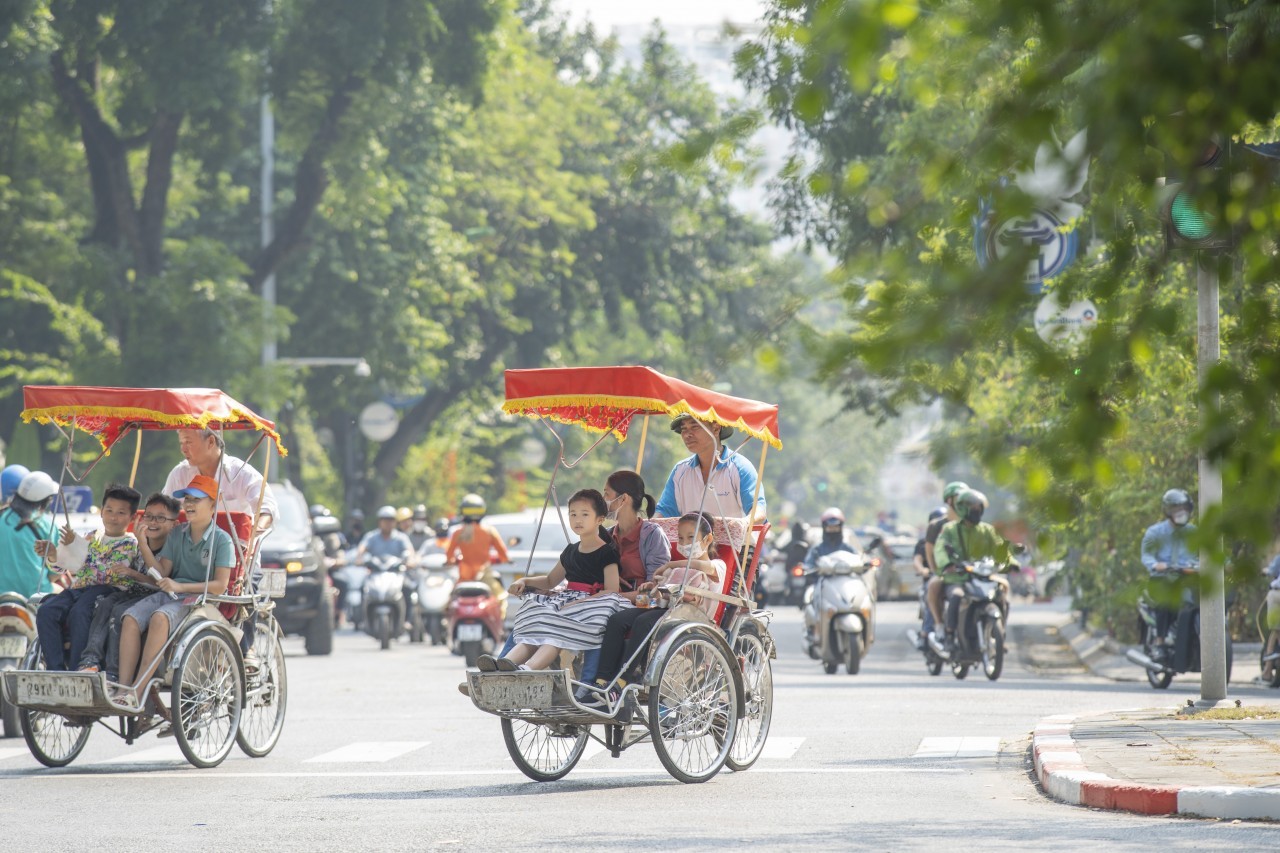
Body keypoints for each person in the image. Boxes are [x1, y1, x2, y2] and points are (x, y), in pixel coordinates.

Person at [118, 475, 235, 727]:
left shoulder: (222, 540)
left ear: (213, 505)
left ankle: (138, 691)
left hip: (199, 600)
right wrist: (143, 543)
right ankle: (124, 690)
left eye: (196, 499)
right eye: (187, 499)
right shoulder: (178, 534)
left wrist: (181, 586)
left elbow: (219, 585)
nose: (189, 504)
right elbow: (162, 572)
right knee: (129, 617)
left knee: (160, 618)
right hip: (170, 592)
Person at [584, 512, 724, 710]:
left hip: (690, 617)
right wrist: (650, 587)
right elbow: (658, 593)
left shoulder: (717, 566)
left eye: (691, 537)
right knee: (617, 620)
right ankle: (601, 681)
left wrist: (670, 564)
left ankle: (624, 681)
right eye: (681, 538)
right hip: (664, 610)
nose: (684, 543)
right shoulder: (674, 572)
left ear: (707, 539)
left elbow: (704, 567)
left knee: (644, 623)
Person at [164, 427, 276, 668]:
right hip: (190, 555)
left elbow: (266, 507)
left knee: (247, 585)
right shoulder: (180, 474)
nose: (183, 448)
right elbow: (166, 511)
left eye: (188, 442)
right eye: (181, 442)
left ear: (211, 441)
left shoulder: (240, 473)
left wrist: (253, 530)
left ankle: (246, 647)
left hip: (238, 557)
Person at [488, 489, 626, 672]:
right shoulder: (570, 551)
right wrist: (525, 581)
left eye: (585, 515)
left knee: (553, 636)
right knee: (534, 632)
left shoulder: (607, 552)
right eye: (573, 514)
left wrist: (582, 601)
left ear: (600, 519)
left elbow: (612, 589)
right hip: (566, 601)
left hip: (588, 607)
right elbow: (550, 580)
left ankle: (527, 669)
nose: (578, 520)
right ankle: (500, 666)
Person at [33, 483, 141, 671]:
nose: (113, 517)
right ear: (101, 512)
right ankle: (54, 669)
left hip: (108, 591)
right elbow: (64, 567)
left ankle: (77, 669)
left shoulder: (130, 543)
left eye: (121, 513)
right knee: (46, 610)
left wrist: (76, 546)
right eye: (109, 510)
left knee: (80, 612)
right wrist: (53, 553)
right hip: (79, 589)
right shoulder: (91, 536)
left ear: (131, 517)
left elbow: (107, 573)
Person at [80, 493, 181, 677]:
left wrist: (134, 572)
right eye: (149, 516)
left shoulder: (170, 549)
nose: (153, 522)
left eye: (160, 518)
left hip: (154, 596)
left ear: (173, 524)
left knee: (119, 613)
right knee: (103, 604)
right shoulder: (135, 543)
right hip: (132, 592)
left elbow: (159, 581)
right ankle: (90, 660)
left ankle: (113, 672)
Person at [934, 489, 1017, 648]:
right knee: (956, 596)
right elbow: (940, 549)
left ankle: (1000, 632)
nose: (977, 511)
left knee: (1001, 596)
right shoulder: (951, 529)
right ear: (963, 508)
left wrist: (1011, 562)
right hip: (958, 578)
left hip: (982, 576)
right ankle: (950, 634)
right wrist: (947, 564)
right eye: (973, 507)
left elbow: (1001, 548)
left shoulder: (987, 530)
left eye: (979, 507)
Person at [655, 414, 765, 522]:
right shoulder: (679, 471)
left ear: (716, 429)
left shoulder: (740, 468)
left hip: (737, 540)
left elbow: (758, 512)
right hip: (692, 541)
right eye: (683, 429)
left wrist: (743, 523)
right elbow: (663, 513)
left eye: (695, 427)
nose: (687, 435)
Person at [1140, 488, 1198, 656]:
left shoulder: (1194, 532)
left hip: (1187, 578)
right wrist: (1155, 565)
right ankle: (1160, 642)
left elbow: (1211, 552)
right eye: (1176, 508)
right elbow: (1146, 555)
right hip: (1162, 579)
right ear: (1167, 510)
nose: (1181, 512)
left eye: (1184, 508)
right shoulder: (1155, 532)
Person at [0, 471, 61, 597]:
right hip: (36, 596)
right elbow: (54, 573)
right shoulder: (47, 524)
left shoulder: (3, 518)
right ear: (46, 500)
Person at [923, 481, 968, 637]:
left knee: (1003, 587)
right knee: (934, 586)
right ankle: (939, 624)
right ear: (949, 501)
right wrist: (937, 571)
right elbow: (931, 551)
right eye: (958, 498)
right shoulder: (938, 526)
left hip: (970, 571)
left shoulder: (971, 524)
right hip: (946, 571)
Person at [445, 493, 509, 593]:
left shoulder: (458, 533)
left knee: (450, 600)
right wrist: (505, 559)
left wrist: (451, 561)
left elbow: (449, 556)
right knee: (500, 598)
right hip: (485, 576)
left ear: (463, 511)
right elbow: (504, 555)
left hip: (464, 577)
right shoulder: (490, 531)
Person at [913, 506, 947, 648]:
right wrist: (924, 570)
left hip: (952, 577)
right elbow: (917, 560)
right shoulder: (924, 542)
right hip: (933, 577)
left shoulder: (954, 538)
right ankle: (926, 631)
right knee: (931, 594)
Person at [802, 508, 856, 572]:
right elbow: (808, 565)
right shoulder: (816, 550)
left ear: (840, 528)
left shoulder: (848, 549)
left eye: (836, 527)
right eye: (830, 527)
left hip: (846, 580)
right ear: (824, 528)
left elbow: (858, 562)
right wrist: (813, 569)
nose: (833, 530)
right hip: (822, 580)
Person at [1261, 552, 1280, 683]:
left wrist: (1265, 571)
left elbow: (1271, 570)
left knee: (1275, 631)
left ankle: (1267, 672)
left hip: (1276, 594)